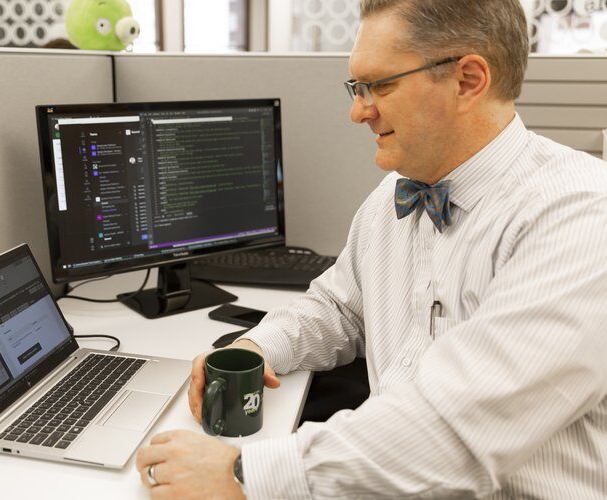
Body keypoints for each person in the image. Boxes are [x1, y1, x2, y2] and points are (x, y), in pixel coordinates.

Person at [136, 0, 607, 498]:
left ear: (468, 80)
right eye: (356, 88)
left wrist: (244, 474)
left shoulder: (579, 215)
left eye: (380, 85)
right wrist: (259, 346)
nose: (358, 110)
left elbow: (454, 433)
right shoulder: (393, 197)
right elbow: (339, 307)